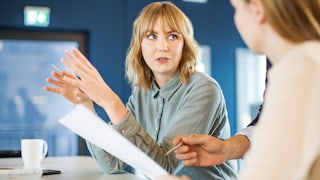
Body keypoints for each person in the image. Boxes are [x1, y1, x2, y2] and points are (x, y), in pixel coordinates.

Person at [43, 1, 237, 179]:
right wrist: (86, 105)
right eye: (152, 36)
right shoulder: (142, 92)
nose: (163, 47)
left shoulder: (204, 90)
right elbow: (111, 163)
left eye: (173, 36)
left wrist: (111, 103)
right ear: (140, 46)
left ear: (184, 45)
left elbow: (167, 167)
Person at [157, 0, 320, 179]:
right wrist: (227, 149)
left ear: (257, 10)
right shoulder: (304, 63)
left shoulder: (300, 71)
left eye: (236, 9)